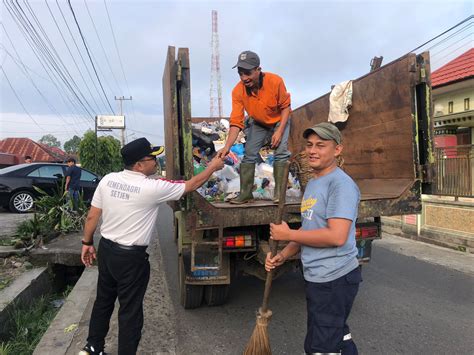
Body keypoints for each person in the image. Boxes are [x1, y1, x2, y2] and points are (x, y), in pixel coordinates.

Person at [79, 137, 224, 355]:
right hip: (131, 260)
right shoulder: (152, 188)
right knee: (130, 311)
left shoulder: (108, 180)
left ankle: (92, 348)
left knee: (103, 301)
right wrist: (212, 166)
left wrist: (87, 243)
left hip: (107, 251)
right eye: (152, 158)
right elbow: (191, 185)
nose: (156, 161)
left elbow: (92, 217)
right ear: (138, 164)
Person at [265, 122, 362, 355]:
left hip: (334, 278)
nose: (312, 150)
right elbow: (309, 231)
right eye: (309, 145)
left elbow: (337, 236)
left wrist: (288, 233)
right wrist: (282, 255)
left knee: (320, 348)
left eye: (321, 145)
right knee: (337, 336)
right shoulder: (314, 184)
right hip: (319, 277)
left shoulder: (341, 185)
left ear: (337, 150)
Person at [217, 50, 291, 204]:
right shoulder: (238, 91)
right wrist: (227, 146)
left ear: (258, 69)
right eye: (240, 74)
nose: (244, 78)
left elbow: (286, 107)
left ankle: (278, 195)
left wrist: (279, 131)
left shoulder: (275, 81)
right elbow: (236, 122)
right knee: (249, 154)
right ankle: (246, 194)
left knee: (281, 153)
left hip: (279, 120)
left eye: (248, 73)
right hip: (258, 122)